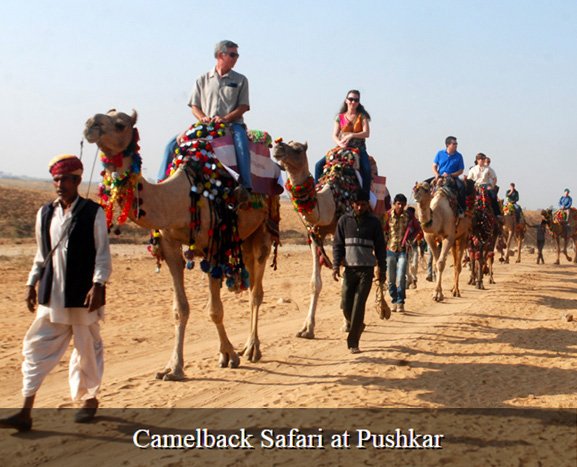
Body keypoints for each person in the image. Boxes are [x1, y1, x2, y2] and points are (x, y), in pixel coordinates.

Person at [0, 155, 112, 432]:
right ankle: (25, 410)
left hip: (83, 296)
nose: (60, 184)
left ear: (77, 181)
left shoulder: (93, 212)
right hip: (52, 294)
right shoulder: (45, 213)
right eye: (56, 179)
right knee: (35, 348)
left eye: (65, 179)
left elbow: (102, 255)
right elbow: (41, 254)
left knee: (87, 350)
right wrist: (31, 283)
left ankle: (89, 400)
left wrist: (98, 284)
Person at [160, 40, 251, 199]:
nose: (236, 58)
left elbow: (244, 106)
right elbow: (194, 105)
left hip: (232, 125)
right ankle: (161, 183)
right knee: (172, 144)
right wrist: (203, 118)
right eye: (232, 54)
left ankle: (245, 186)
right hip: (206, 125)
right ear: (219, 55)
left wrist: (225, 119)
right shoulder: (202, 80)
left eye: (236, 55)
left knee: (242, 145)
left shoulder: (241, 80)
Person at [333, 191, 386, 354]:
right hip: (349, 269)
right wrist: (336, 265)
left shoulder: (374, 223)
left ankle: (353, 342)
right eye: (357, 204)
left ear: (367, 205)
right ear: (352, 204)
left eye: (363, 204)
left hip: (366, 270)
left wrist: (382, 269)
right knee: (346, 304)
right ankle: (358, 325)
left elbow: (380, 248)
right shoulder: (344, 221)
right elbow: (337, 245)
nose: (360, 207)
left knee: (358, 305)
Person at [315, 90, 372, 195]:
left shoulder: (362, 116)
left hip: (358, 149)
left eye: (356, 100)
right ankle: (317, 192)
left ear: (358, 102)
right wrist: (340, 144)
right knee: (318, 165)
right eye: (351, 99)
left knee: (367, 169)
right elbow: (334, 135)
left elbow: (366, 133)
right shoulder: (339, 117)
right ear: (346, 100)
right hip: (341, 148)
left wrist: (352, 135)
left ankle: (365, 196)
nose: (353, 102)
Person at [383, 194, 409, 311]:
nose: (400, 206)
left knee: (401, 276)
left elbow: (417, 228)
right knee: (391, 279)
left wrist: (410, 239)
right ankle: (394, 299)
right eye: (398, 204)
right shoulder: (387, 215)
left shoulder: (408, 216)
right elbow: (383, 230)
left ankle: (400, 301)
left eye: (403, 204)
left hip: (403, 251)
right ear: (394, 204)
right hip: (390, 250)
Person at [432, 136, 466, 215]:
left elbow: (461, 170)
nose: (456, 145)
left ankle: (461, 209)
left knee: (462, 187)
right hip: (440, 176)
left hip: (453, 177)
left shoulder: (459, 156)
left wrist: (450, 175)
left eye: (456, 144)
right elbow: (434, 165)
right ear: (448, 145)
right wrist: (437, 174)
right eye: (454, 144)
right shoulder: (440, 153)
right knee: (424, 185)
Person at [466, 153, 501, 217]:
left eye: (483, 159)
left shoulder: (488, 169)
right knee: (467, 195)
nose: (481, 160)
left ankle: (497, 214)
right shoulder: (473, 169)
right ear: (477, 160)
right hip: (475, 186)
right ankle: (465, 210)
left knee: (493, 195)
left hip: (486, 185)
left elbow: (494, 179)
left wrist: (492, 186)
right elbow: (469, 179)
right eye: (480, 159)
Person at [403, 206, 423, 289]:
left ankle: (414, 279)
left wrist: (414, 239)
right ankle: (408, 280)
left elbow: (420, 233)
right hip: (405, 247)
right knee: (405, 264)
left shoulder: (416, 222)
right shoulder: (403, 221)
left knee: (414, 264)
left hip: (414, 246)